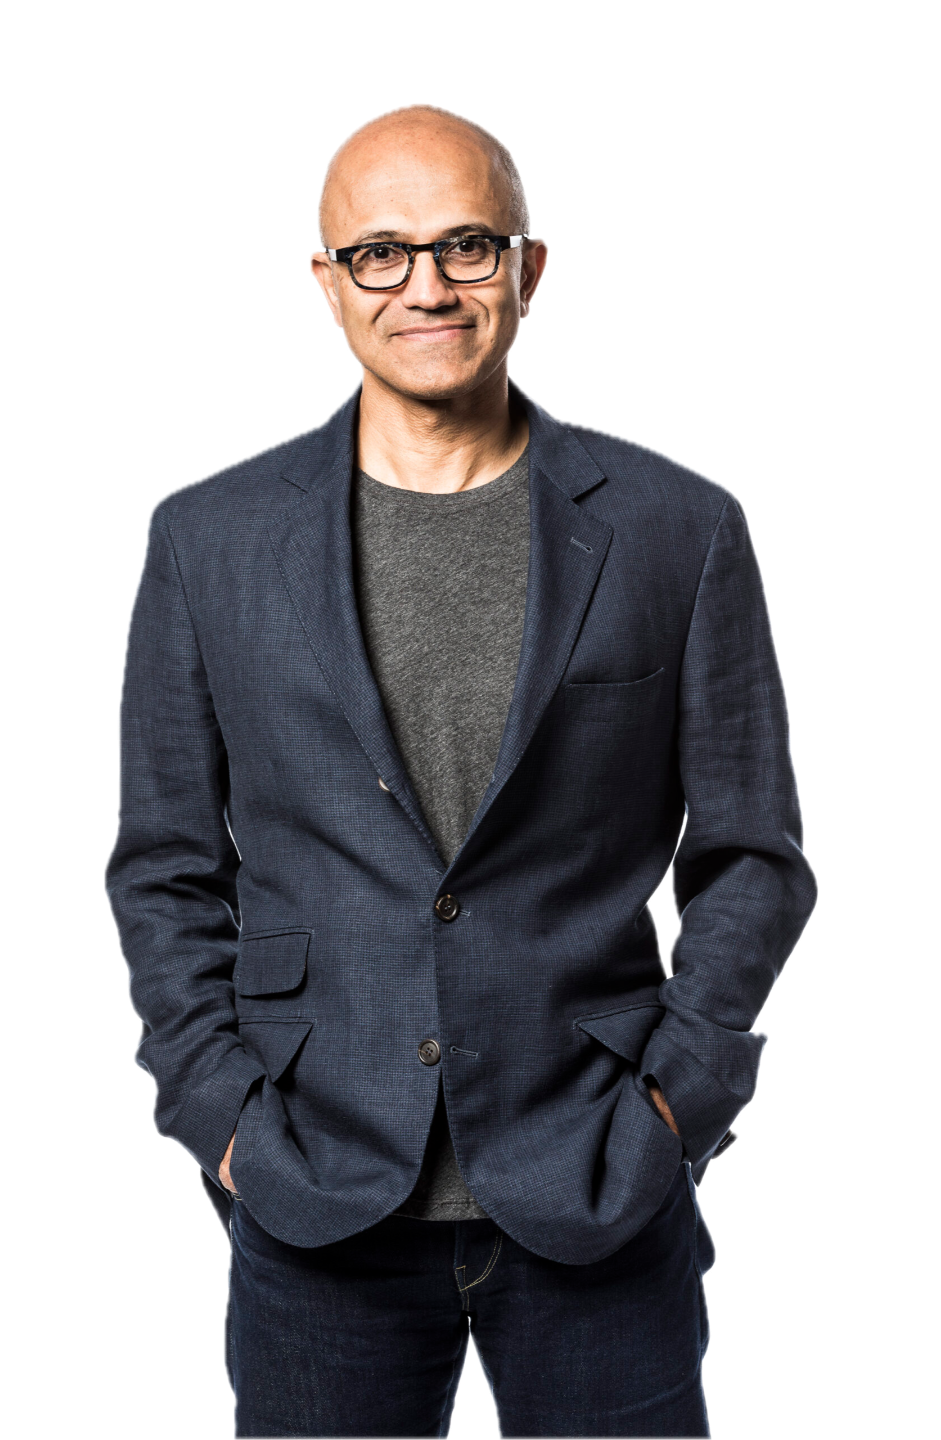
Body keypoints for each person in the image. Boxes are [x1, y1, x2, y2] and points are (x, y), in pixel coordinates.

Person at [103, 103, 818, 1439]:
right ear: (327, 282)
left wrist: (676, 1104)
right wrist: (224, 1117)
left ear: (528, 269)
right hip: (313, 1188)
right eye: (380, 253)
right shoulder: (209, 541)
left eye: (466, 246)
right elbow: (163, 868)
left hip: (598, 1178)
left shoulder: (677, 528)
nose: (424, 286)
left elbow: (753, 860)